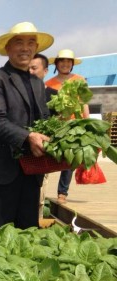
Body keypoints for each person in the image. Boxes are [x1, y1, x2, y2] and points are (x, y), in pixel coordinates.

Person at [0, 22, 53, 230]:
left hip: (30, 171)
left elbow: (43, 120)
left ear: (36, 48)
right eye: (19, 42)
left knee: (28, 230)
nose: (25, 48)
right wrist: (28, 137)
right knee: (0, 234)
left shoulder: (37, 83)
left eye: (31, 42)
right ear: (8, 48)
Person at [46, 49, 90, 205]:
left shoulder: (80, 80)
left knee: (70, 158)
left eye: (68, 61)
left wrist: (87, 122)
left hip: (75, 124)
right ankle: (40, 188)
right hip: (56, 125)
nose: (65, 64)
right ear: (56, 64)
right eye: (62, 61)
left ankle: (62, 193)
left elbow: (84, 102)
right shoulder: (49, 83)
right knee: (49, 156)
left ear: (72, 64)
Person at [28, 53, 58, 219]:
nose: (30, 72)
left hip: (41, 150)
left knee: (39, 191)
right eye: (28, 68)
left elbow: (60, 121)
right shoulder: (20, 93)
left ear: (45, 71)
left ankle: (36, 221)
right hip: (22, 149)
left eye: (34, 68)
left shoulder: (53, 95)